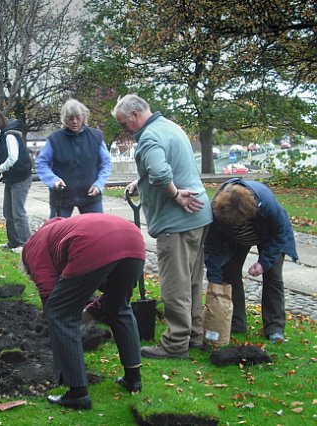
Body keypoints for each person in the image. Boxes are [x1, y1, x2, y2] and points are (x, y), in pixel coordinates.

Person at [112, 94, 213, 359]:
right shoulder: (170, 126)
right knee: (191, 281)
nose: (125, 130)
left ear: (135, 115)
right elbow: (159, 167)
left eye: (124, 123)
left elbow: (160, 174)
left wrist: (175, 195)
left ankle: (175, 344)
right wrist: (139, 181)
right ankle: (194, 336)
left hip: (176, 221)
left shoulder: (148, 136)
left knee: (175, 286)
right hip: (199, 216)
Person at [21, 214, 146, 410]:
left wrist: (54, 323)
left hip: (95, 243)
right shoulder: (62, 230)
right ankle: (133, 379)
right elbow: (105, 299)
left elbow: (49, 291)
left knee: (60, 312)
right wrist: (89, 313)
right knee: (118, 307)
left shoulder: (33, 247)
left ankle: (77, 393)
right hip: (134, 240)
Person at [205, 178, 298, 343]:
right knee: (229, 273)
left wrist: (263, 263)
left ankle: (275, 328)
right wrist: (215, 281)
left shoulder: (266, 204)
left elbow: (280, 234)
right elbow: (212, 247)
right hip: (235, 239)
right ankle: (236, 323)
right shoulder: (217, 211)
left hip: (269, 236)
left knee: (273, 277)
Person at [35, 99, 112, 218]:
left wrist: (99, 184)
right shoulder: (54, 140)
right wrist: (53, 180)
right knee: (57, 233)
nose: (74, 121)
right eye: (70, 118)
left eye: (78, 117)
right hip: (62, 197)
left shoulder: (96, 137)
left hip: (91, 195)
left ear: (84, 117)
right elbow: (41, 163)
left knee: (96, 233)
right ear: (64, 119)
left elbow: (106, 163)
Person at [0, 108, 32, 253]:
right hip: (11, 177)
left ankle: (25, 244)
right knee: (7, 212)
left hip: (21, 177)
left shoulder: (9, 135)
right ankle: (13, 241)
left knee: (18, 212)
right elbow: (3, 156)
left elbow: (13, 158)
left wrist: (0, 169)